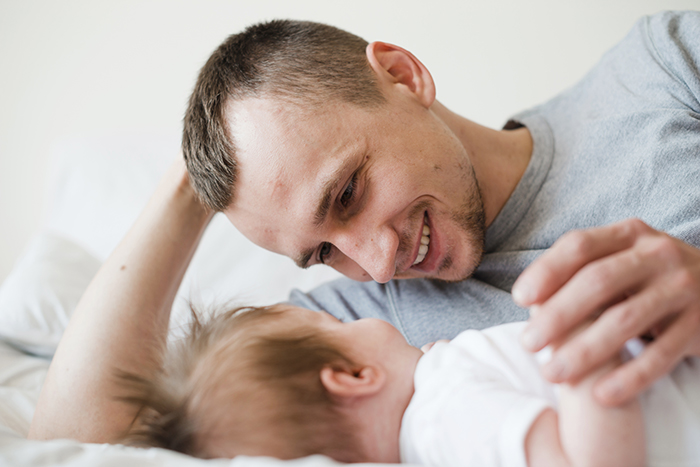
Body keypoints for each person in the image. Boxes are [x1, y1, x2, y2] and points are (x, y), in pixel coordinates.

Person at [28, 11, 700, 444]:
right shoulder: (355, 335)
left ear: (404, 76)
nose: (378, 262)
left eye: (347, 192)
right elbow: (76, 439)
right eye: (323, 250)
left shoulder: (662, 72)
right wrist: (194, 172)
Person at [115, 302, 700, 466]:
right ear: (352, 377)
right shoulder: (444, 406)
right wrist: (583, 344)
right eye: (337, 323)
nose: (356, 314)